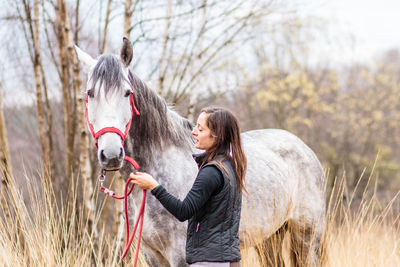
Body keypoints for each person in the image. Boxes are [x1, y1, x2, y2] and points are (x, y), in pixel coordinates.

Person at [130, 107, 247, 267]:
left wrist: (154, 186)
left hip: (210, 262)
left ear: (217, 135)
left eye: (200, 128)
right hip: (228, 260)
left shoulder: (211, 172)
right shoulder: (229, 165)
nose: (193, 132)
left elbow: (183, 211)